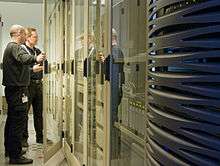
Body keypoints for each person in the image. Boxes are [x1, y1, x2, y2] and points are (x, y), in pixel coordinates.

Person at [2, 24, 46, 164]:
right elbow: (24, 58)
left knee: (12, 120)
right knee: (17, 122)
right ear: (19, 33)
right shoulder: (15, 47)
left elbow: (19, 68)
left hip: (14, 89)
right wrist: (36, 59)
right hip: (17, 91)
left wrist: (32, 69)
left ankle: (11, 149)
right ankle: (15, 156)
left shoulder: (11, 48)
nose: (25, 36)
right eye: (24, 34)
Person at [20, 27, 47, 146]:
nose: (37, 39)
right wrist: (32, 70)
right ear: (27, 37)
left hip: (38, 85)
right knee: (24, 113)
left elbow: (43, 66)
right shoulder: (22, 51)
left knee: (39, 113)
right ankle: (23, 140)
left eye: (37, 37)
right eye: (35, 37)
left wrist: (44, 62)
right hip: (27, 85)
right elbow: (21, 70)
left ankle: (40, 138)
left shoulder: (37, 50)